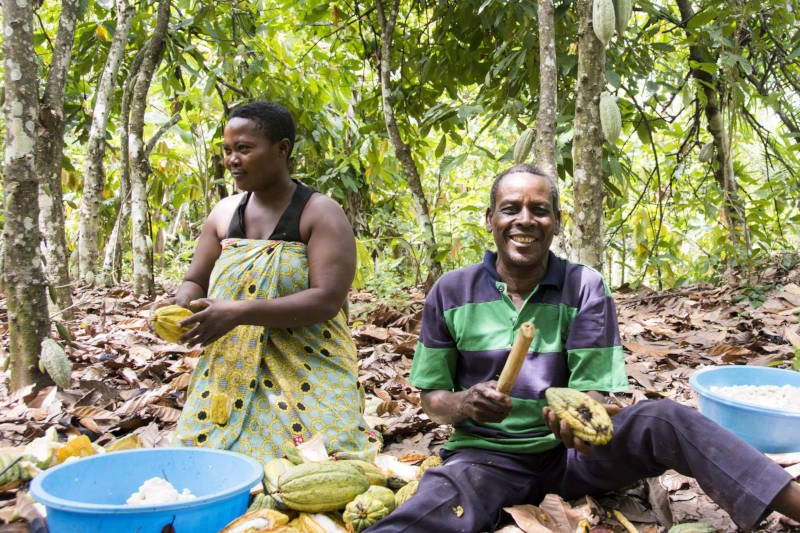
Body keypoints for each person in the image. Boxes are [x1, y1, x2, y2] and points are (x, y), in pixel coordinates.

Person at [365, 164, 800, 532]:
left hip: (574, 458)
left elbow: (594, 391)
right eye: (510, 209)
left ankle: (793, 502)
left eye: (539, 210)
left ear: (556, 221)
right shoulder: (452, 290)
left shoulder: (584, 286)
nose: (525, 220)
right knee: (434, 504)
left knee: (665, 420)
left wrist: (580, 419)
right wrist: (465, 404)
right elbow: (432, 399)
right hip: (486, 460)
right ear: (490, 219)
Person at [161, 101, 381, 464]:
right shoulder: (223, 214)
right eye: (228, 150)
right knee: (203, 464)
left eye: (244, 149)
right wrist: (179, 306)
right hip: (229, 371)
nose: (233, 159)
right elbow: (194, 281)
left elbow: (326, 300)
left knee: (322, 464)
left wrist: (238, 312)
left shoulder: (320, 213)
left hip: (308, 366)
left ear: (282, 149)